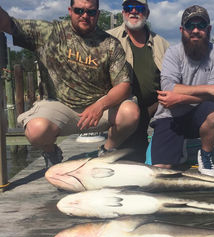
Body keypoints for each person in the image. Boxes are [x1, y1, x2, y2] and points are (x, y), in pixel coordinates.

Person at [0, 0, 140, 167]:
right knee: (36, 130)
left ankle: (107, 150)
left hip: (99, 108)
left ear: (98, 14)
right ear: (70, 10)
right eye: (79, 10)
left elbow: (123, 86)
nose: (85, 16)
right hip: (60, 106)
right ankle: (51, 152)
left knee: (130, 112)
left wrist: (100, 105)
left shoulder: (110, 44)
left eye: (91, 12)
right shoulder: (49, 32)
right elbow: (7, 23)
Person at [148, 5, 214, 177]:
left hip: (198, 115)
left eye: (201, 26)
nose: (195, 30)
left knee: (213, 114)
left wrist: (179, 98)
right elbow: (168, 88)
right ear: (181, 29)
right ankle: (179, 147)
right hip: (170, 116)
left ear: (208, 29)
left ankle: (206, 155)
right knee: (159, 171)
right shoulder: (172, 52)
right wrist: (210, 88)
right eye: (189, 26)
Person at [107, 0, 169, 161]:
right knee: (128, 158)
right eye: (128, 8)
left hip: (154, 108)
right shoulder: (107, 38)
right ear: (123, 12)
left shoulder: (163, 44)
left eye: (140, 8)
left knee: (156, 157)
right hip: (122, 107)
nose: (133, 11)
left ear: (147, 13)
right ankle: (108, 147)